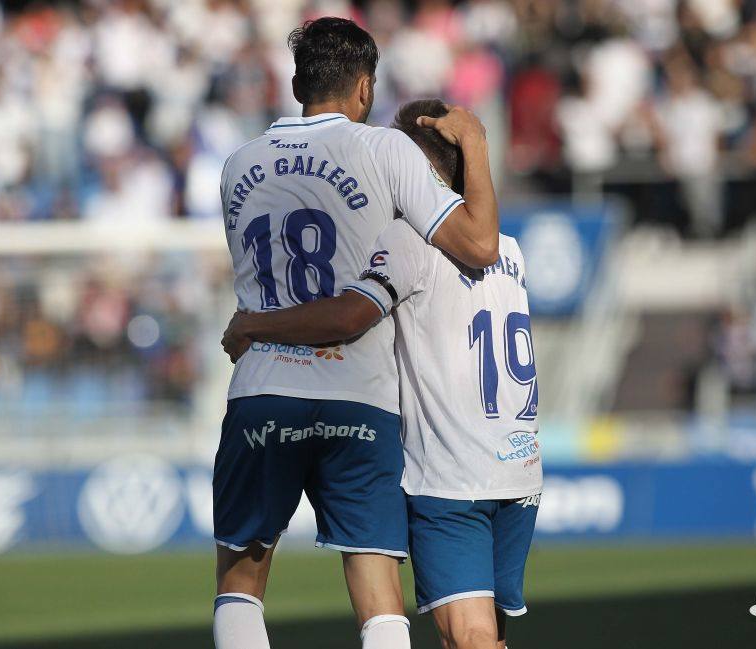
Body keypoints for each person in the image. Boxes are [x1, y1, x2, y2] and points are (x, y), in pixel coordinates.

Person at [213, 18, 500, 649]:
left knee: (240, 585)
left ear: (295, 83)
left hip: (263, 391)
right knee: (379, 599)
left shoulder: (237, 165)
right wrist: (474, 144)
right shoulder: (384, 149)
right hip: (360, 397)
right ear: (365, 88)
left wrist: (257, 327)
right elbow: (479, 246)